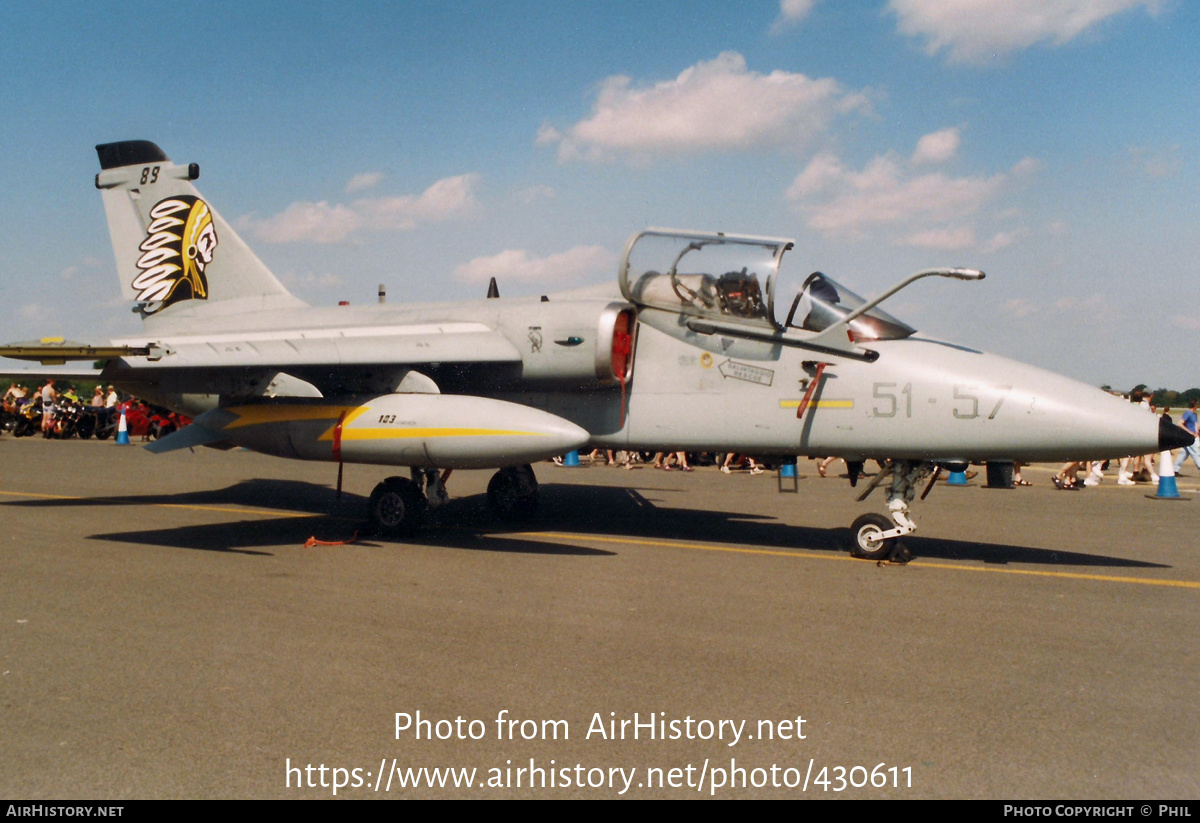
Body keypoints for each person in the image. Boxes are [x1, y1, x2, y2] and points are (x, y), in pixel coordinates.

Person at [1173, 400, 1200, 475]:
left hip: (1194, 436)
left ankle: (1175, 469)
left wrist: (1197, 432)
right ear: (1194, 405)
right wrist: (1189, 432)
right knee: (1196, 452)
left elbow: (1196, 424)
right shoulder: (1188, 413)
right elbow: (1180, 423)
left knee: (1184, 453)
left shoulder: (1194, 414)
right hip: (1189, 436)